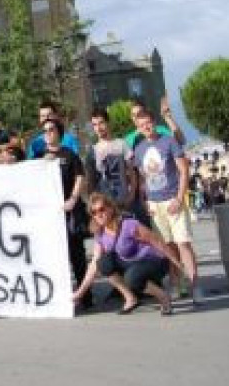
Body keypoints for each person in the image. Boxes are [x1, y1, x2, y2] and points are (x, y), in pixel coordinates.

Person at [132, 109, 202, 304]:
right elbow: (143, 178)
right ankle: (176, 283)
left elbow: (184, 170)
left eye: (148, 123)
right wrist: (145, 200)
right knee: (168, 247)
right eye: (141, 125)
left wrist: (179, 198)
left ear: (154, 122)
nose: (146, 127)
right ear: (138, 128)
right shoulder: (139, 149)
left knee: (183, 243)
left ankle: (195, 285)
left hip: (173, 199)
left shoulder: (169, 141)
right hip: (155, 204)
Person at [73, 193, 180, 316]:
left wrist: (177, 264)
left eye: (101, 209)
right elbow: (94, 264)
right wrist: (80, 292)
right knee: (103, 263)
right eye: (94, 212)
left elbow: (158, 242)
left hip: (154, 261)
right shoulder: (100, 233)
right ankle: (130, 298)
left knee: (132, 278)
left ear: (110, 208)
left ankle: (163, 296)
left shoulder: (128, 224)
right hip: (131, 263)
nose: (99, 215)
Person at [34, 119, 91, 310]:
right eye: (45, 131)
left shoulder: (69, 154)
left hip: (69, 212)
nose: (48, 133)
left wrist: (73, 198)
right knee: (55, 257)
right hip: (50, 216)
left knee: (78, 257)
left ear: (59, 133)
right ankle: (59, 298)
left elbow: (80, 176)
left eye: (51, 130)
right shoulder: (39, 156)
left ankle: (86, 297)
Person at [85, 108, 138, 211]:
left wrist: (131, 195)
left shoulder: (121, 144)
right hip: (105, 207)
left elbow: (132, 172)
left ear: (108, 122)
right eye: (95, 125)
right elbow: (91, 182)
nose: (98, 128)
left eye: (101, 123)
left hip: (125, 202)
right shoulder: (93, 151)